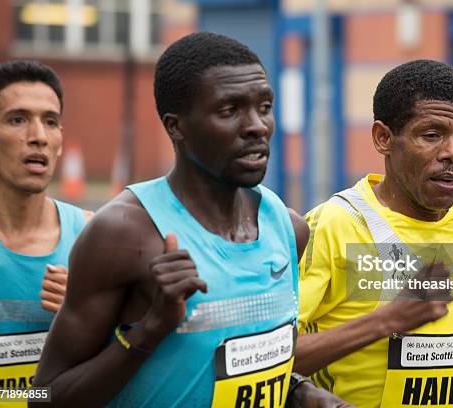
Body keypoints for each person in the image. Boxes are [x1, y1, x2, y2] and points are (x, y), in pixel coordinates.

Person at [32, 33, 351, 408]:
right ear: (176, 126)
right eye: (230, 110)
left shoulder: (288, 228)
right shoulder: (124, 234)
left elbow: (240, 359)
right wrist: (150, 330)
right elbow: (41, 397)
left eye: (264, 106)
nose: (257, 126)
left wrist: (299, 391)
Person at [294, 60, 453, 408]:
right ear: (383, 138)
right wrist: (386, 321)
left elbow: (439, 304)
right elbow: (272, 359)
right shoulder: (334, 224)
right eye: (431, 135)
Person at [0, 60, 91, 404]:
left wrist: (82, 319)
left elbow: (127, 366)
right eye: (18, 119)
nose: (39, 137)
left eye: (51, 122)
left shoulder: (93, 236)